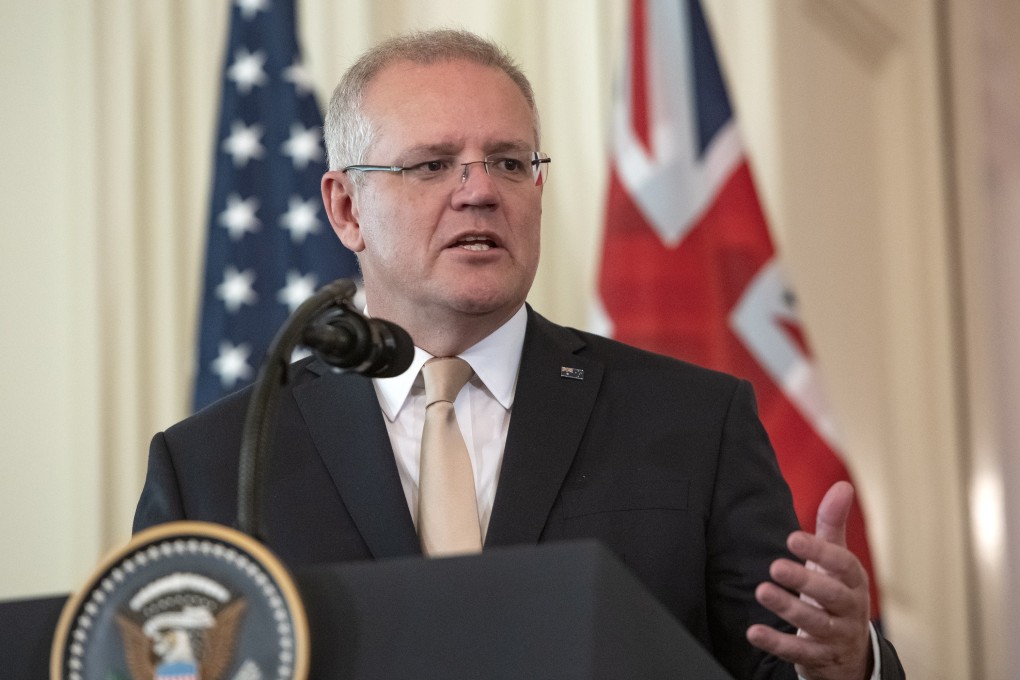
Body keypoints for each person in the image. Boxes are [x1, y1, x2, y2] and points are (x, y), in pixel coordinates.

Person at [134, 29, 905, 680]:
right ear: (345, 209)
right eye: (432, 165)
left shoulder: (695, 423)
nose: (480, 191)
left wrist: (847, 663)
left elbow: (778, 660)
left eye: (509, 162)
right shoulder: (213, 463)